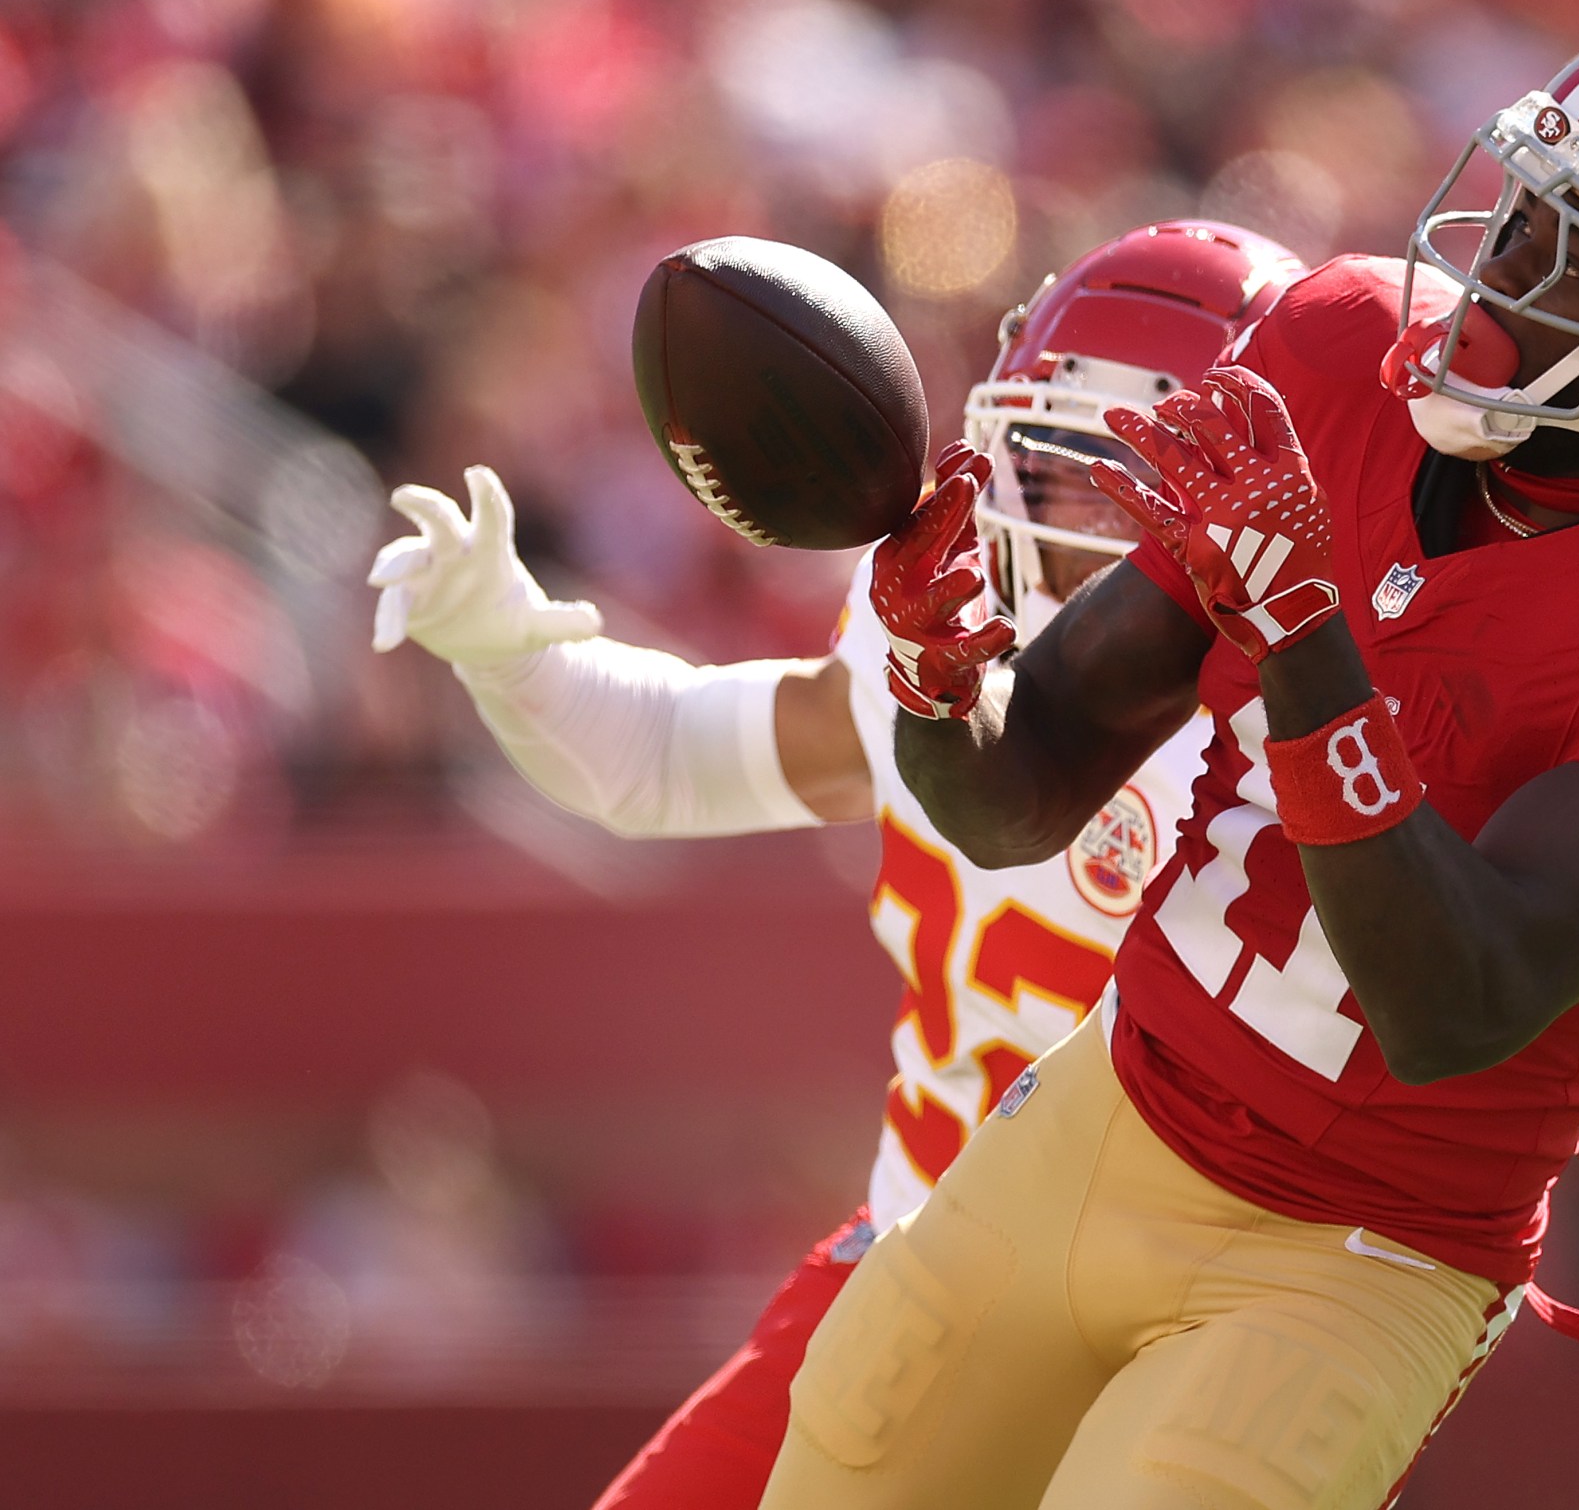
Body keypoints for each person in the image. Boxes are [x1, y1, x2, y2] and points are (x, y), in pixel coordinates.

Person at [761, 9, 1579, 1510]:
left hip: (1358, 1251)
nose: (1499, 266)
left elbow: (1457, 999)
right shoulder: (1338, 353)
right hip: (1103, 1108)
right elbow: (1021, 788)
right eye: (1523, 205)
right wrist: (942, 673)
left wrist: (1312, 639)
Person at [363, 219, 1305, 1510]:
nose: (1057, 507)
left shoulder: (1304, 709)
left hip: (1179, 1320)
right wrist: (513, 652)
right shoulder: (941, 610)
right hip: (914, 1255)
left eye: (1119, 470)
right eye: (1043, 452)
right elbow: (673, 759)